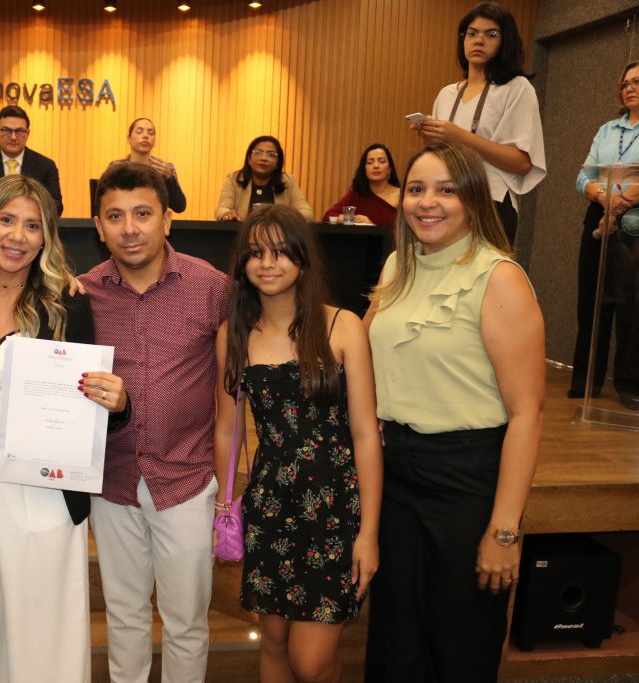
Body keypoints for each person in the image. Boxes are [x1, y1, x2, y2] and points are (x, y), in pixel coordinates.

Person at [0, 174, 128, 683]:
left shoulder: (67, 303)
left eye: (33, 226)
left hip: (44, 488)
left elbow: (90, 400)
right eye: (7, 220)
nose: (17, 236)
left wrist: (117, 403)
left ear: (46, 238)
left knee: (43, 622)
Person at [363, 142, 544, 682]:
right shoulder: (397, 265)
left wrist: (505, 531)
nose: (427, 202)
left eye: (446, 189)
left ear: (472, 198)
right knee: (396, 639)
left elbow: (527, 414)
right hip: (395, 473)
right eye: (417, 189)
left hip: (466, 478)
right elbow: (360, 352)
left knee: (459, 643)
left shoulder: (499, 276)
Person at [213, 204, 382, 683]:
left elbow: (366, 435)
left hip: (335, 510)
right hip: (271, 507)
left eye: (280, 252)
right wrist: (224, 506)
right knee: (272, 643)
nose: (266, 263)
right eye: (254, 253)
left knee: (311, 661)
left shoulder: (342, 326)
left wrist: (369, 534)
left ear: (302, 258)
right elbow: (226, 428)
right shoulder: (234, 335)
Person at [82, 163, 229, 683]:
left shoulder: (211, 287)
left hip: (186, 479)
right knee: (124, 618)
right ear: (98, 226)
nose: (129, 228)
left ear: (167, 219)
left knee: (186, 622)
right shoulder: (83, 294)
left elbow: (237, 386)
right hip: (112, 480)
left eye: (142, 214)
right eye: (115, 216)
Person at [413, 1, 545, 244]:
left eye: (491, 35)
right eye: (472, 34)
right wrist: (430, 138)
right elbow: (440, 155)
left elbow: (523, 162)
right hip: (446, 202)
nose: (479, 41)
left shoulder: (516, 88)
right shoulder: (447, 94)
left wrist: (460, 136)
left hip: (490, 203)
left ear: (505, 42)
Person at [570, 61, 639, 408]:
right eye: (625, 83)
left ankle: (629, 384)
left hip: (634, 223)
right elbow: (584, 175)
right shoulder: (607, 130)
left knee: (632, 306)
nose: (630, 88)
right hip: (599, 215)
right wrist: (601, 195)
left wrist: (623, 201)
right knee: (591, 302)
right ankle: (587, 380)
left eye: (637, 82)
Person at [216, 135, 313, 222]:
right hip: (243, 233)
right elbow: (222, 209)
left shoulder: (288, 181)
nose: (263, 158)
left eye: (271, 155)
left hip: (278, 234)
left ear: (278, 163)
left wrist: (286, 220)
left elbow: (306, 213)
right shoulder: (234, 179)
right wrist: (227, 214)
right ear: (249, 159)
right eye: (258, 153)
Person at [105, 117, 186, 213]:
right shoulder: (116, 167)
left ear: (154, 141)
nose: (145, 136)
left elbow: (179, 207)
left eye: (150, 133)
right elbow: (106, 201)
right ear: (128, 139)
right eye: (139, 132)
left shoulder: (165, 169)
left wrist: (169, 178)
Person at [322, 144, 400, 228]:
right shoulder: (357, 194)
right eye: (370, 162)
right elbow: (328, 216)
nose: (376, 166)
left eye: (381, 161)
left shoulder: (401, 195)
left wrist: (373, 226)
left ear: (389, 169)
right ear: (364, 169)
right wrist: (353, 219)